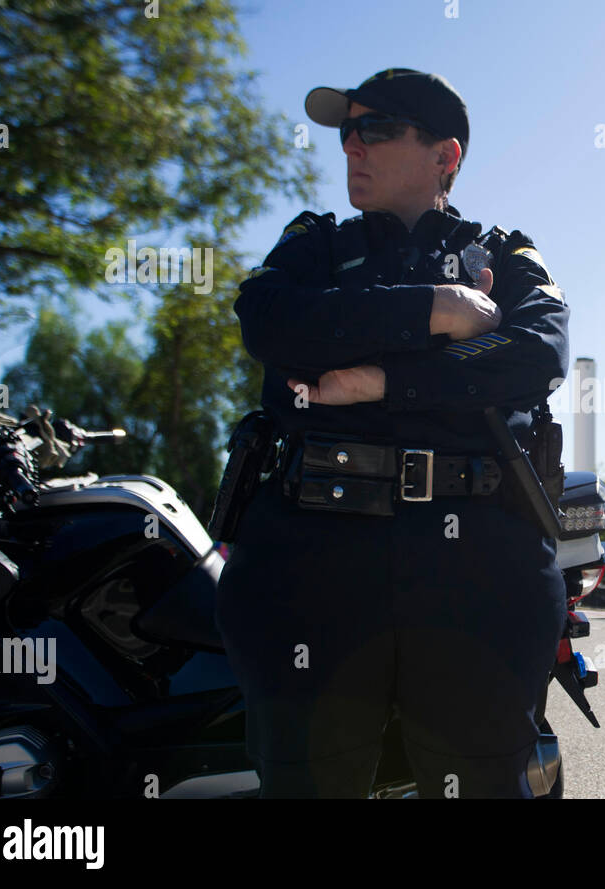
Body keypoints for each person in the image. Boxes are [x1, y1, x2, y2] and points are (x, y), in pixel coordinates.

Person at [213, 67, 570, 798]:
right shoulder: (313, 249)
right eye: (345, 131)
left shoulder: (506, 255)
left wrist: (383, 381)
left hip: (477, 571)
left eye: (374, 129)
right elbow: (271, 322)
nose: (351, 146)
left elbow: (536, 353)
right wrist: (433, 309)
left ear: (446, 157)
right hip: (312, 563)